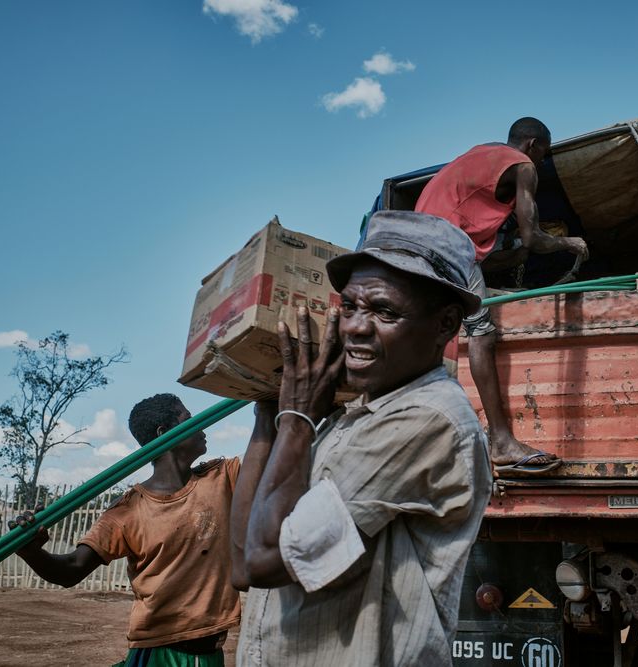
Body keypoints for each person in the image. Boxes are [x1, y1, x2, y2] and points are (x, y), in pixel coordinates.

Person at [230, 211, 491, 666]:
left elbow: (263, 559)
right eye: (349, 306)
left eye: (384, 311)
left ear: (446, 325)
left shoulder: (427, 419)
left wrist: (294, 419)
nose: (353, 326)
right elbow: (239, 568)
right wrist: (268, 408)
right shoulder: (345, 419)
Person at [10, 393, 242, 667]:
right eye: (190, 420)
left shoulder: (222, 477)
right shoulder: (129, 510)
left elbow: (274, 457)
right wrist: (29, 551)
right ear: (165, 432)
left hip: (210, 654)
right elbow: (71, 569)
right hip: (160, 654)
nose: (203, 426)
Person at [415, 117, 589, 475]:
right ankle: (502, 441)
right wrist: (570, 243)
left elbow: (492, 247)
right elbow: (533, 238)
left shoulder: (482, 154)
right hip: (445, 243)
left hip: (417, 238)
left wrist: (515, 255)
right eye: (544, 154)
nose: (541, 162)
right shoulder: (523, 165)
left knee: (430, 334)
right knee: (482, 332)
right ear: (532, 145)